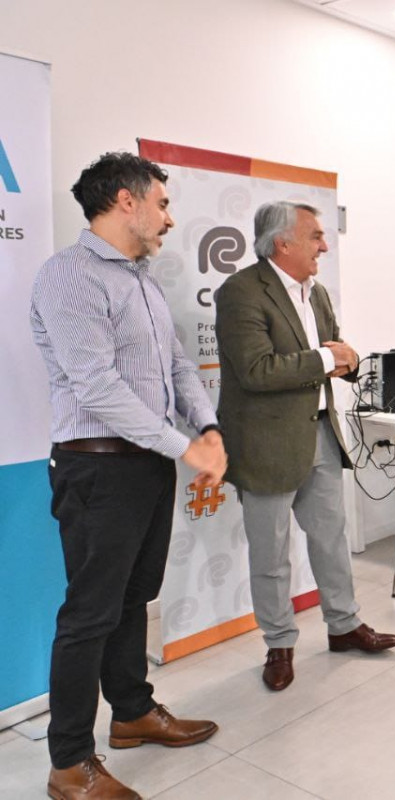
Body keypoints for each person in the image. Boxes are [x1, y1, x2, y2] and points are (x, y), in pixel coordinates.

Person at [31, 152, 227, 800]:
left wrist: (207, 428)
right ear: (126, 200)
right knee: (89, 613)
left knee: (132, 598)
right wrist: (183, 446)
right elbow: (97, 386)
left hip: (146, 464)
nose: (169, 218)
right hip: (96, 467)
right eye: (162, 203)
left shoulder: (141, 280)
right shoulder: (70, 275)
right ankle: (68, 764)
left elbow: (177, 368)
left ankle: (133, 712)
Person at [214, 202, 395, 693]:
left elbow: (339, 351)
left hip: (320, 432)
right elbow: (256, 371)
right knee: (272, 552)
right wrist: (325, 358)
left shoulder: (314, 292)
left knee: (330, 538)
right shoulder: (240, 293)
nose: (324, 245)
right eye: (315, 236)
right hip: (266, 445)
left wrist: (348, 359)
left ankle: (344, 625)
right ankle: (279, 644)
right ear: (283, 243)